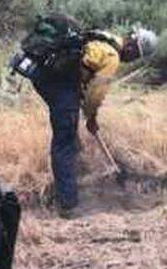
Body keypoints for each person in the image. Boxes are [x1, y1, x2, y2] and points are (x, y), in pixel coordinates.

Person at [26, 15, 157, 218]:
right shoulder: (112, 57)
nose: (132, 60)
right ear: (133, 48)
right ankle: (68, 205)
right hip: (59, 84)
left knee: (70, 136)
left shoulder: (106, 38)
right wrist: (91, 117)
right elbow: (96, 94)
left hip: (44, 76)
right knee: (65, 143)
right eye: (136, 56)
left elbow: (83, 70)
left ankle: (72, 182)